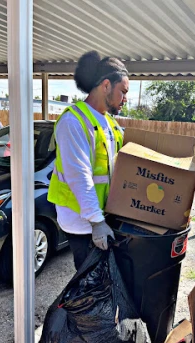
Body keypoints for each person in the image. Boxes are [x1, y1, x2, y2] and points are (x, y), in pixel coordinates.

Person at [48, 50, 129, 270]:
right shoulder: (73, 121)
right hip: (83, 223)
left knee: (103, 283)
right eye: (123, 91)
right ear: (106, 86)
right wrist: (97, 223)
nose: (125, 99)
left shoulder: (110, 124)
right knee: (88, 287)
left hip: (101, 217)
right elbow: (79, 176)